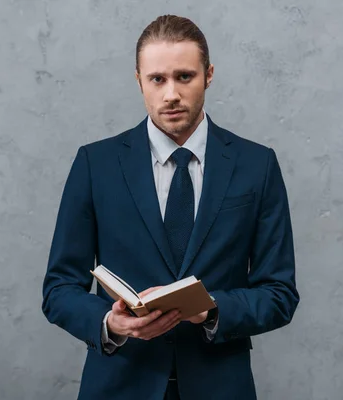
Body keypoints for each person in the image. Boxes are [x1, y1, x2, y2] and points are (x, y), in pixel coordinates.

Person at [41, 14, 299, 400]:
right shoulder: (96, 165)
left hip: (220, 387)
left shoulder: (256, 166)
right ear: (139, 81)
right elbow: (59, 288)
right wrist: (110, 323)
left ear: (208, 75)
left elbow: (280, 293)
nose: (171, 94)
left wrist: (211, 310)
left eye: (184, 76)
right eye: (157, 79)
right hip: (119, 385)